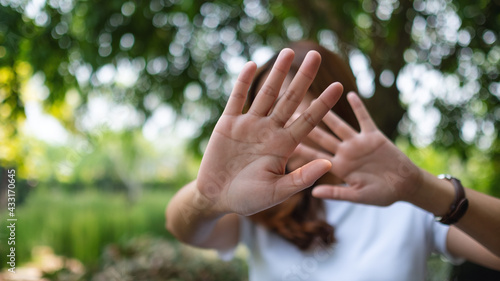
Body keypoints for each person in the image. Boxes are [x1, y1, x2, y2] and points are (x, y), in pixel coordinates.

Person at [166, 41, 500, 280]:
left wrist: (422, 188)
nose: (276, 133)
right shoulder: (256, 205)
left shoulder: (409, 200)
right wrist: (206, 196)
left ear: (334, 111)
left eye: (296, 111)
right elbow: (182, 228)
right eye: (268, 113)